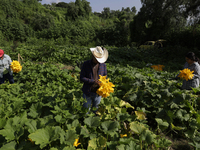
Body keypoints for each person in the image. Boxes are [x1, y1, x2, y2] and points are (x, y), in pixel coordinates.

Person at [80, 46, 108, 114]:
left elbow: (105, 77)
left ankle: (94, 122)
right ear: (93, 56)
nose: (98, 60)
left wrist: (103, 83)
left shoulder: (103, 65)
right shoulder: (86, 64)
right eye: (97, 58)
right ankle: (85, 122)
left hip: (98, 93)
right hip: (87, 91)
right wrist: (93, 81)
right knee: (86, 110)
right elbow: (82, 78)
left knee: (95, 110)